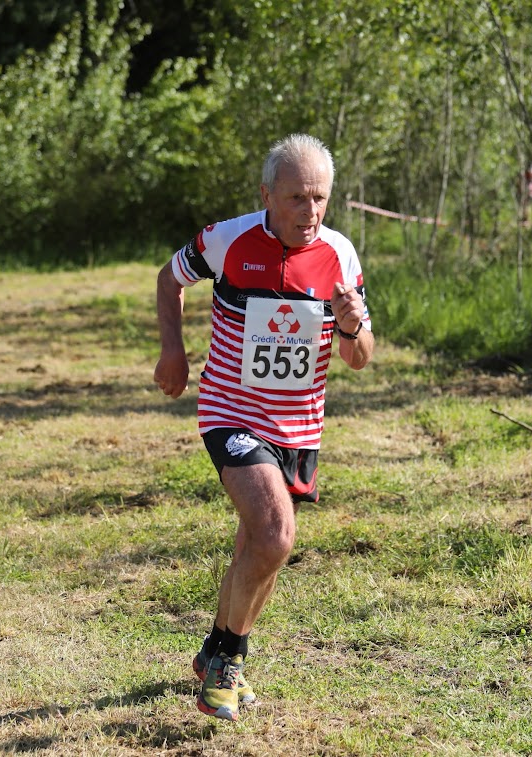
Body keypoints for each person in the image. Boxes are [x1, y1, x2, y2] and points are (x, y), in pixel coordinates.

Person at [154, 133, 374, 722]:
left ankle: (216, 655)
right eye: (297, 198)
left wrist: (353, 327)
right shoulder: (228, 240)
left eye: (320, 198)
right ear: (267, 195)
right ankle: (228, 658)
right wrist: (173, 352)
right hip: (230, 412)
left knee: (260, 547)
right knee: (275, 534)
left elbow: (359, 356)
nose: (311, 212)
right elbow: (169, 278)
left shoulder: (340, 255)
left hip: (299, 428)